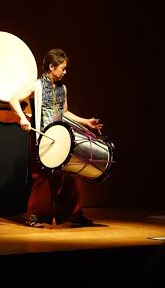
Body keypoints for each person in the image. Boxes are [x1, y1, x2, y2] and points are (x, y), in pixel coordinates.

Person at [9, 48, 101, 227]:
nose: (65, 72)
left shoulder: (62, 88)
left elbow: (64, 112)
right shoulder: (36, 86)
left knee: (70, 173)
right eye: (62, 68)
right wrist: (22, 118)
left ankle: (72, 214)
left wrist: (86, 122)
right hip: (42, 137)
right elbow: (13, 100)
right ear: (51, 66)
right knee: (42, 176)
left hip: (60, 137)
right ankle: (35, 215)